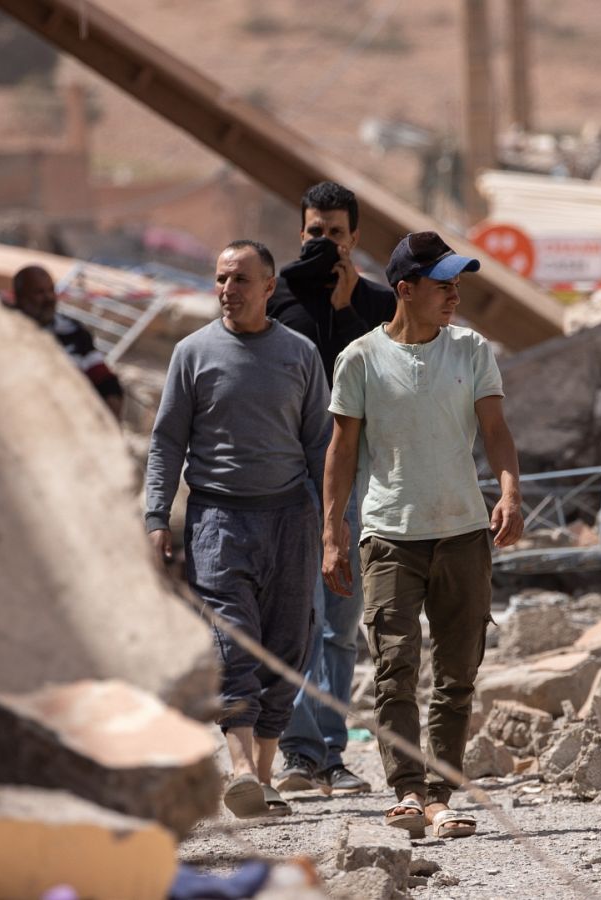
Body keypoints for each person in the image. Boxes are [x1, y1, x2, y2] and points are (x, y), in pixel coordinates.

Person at [321, 231, 525, 840]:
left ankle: (443, 791)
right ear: (404, 290)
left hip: (463, 533)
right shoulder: (359, 358)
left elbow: (495, 430)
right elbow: (342, 450)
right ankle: (409, 791)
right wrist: (333, 533)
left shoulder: (470, 350)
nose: (454, 295)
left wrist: (511, 493)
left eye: (457, 284)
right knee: (395, 668)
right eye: (443, 285)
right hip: (388, 535)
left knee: (458, 671)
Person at [144, 240, 330, 820]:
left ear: (269, 287)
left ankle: (263, 777)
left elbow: (321, 444)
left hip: (290, 518)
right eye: (222, 279)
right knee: (232, 645)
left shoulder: (299, 354)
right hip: (217, 521)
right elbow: (166, 442)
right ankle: (242, 769)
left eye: (241, 280)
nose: (229, 290)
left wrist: (332, 525)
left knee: (286, 647)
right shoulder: (192, 353)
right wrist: (155, 515)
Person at [272, 182, 396, 797]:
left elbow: (382, 386)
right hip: (286, 481)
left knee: (341, 623)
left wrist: (348, 307)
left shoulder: (375, 304)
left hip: (352, 481)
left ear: (355, 240)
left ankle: (330, 750)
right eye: (314, 233)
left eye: (336, 235)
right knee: (293, 619)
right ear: (301, 233)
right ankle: (296, 753)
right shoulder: (274, 299)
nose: (323, 244)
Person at [10, 265, 125, 417]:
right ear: (20, 297)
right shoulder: (6, 332)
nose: (49, 298)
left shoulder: (74, 331)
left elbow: (104, 380)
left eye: (51, 290)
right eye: (39, 292)